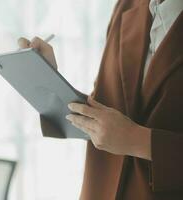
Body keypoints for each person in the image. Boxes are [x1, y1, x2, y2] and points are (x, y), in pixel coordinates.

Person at [18, 0, 183, 199]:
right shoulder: (126, 5)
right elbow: (104, 114)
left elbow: (119, 131)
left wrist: (138, 140)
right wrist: (50, 81)